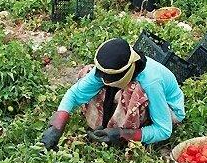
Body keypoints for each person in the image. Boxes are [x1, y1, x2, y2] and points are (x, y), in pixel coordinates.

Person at [41, 38, 185, 149]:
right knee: (87, 73)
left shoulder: (151, 82)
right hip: (132, 90)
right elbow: (74, 94)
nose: (104, 79)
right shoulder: (109, 70)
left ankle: (119, 131)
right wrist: (57, 126)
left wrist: (123, 134)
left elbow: (164, 130)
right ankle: (106, 124)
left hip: (168, 111)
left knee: (134, 91)